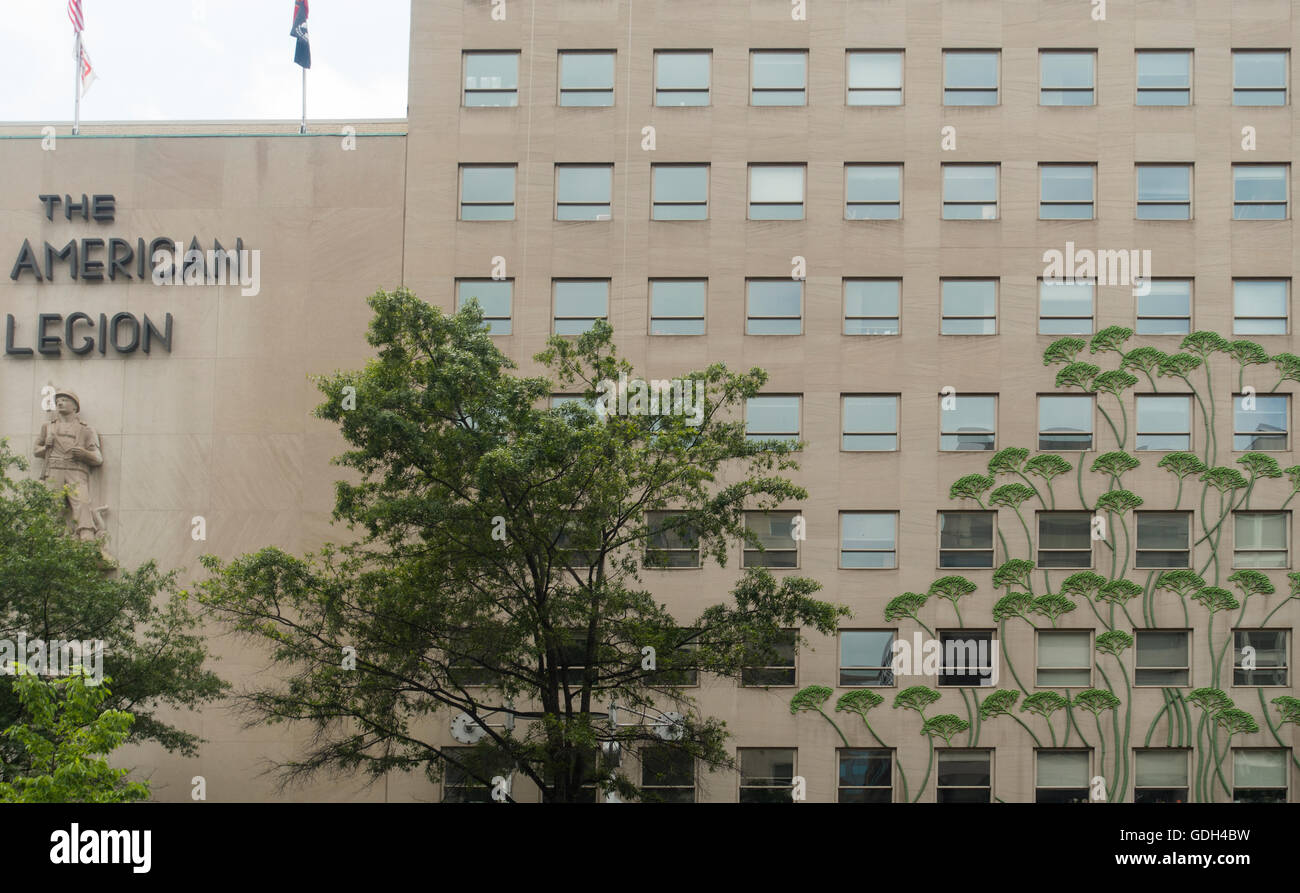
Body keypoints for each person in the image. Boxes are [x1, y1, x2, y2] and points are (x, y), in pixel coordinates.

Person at [34, 388, 104, 543]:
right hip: (54, 470)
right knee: (52, 505)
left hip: (76, 471)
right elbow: (36, 450)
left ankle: (87, 538)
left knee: (83, 503)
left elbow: (98, 458)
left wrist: (84, 454)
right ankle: (48, 539)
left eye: (65, 400)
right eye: (58, 400)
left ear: (75, 406)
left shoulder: (86, 429)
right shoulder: (48, 427)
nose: (60, 402)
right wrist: (46, 447)